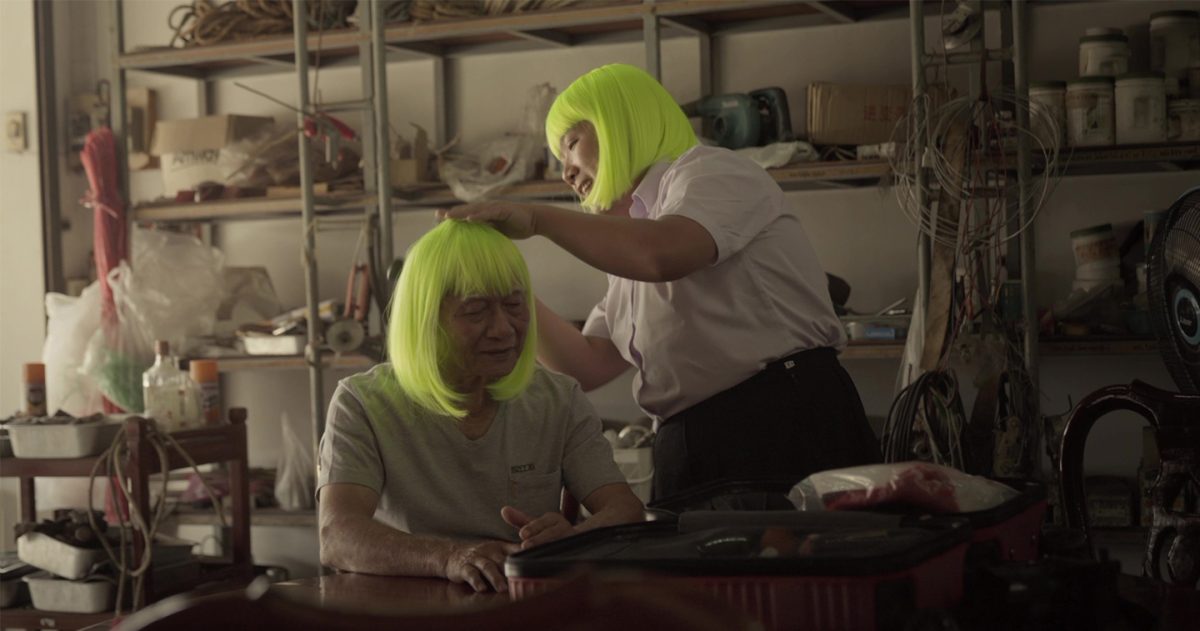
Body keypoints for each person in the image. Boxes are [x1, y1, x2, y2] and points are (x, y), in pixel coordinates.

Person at [440, 63, 880, 501]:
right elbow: (586, 364)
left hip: (778, 424)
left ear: (620, 121)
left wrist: (538, 219)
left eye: (571, 145)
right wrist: (506, 286)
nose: (566, 173)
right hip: (691, 444)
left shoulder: (712, 172)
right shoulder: (631, 244)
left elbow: (663, 254)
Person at [317, 220, 644, 593]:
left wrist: (573, 539)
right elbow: (337, 537)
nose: (503, 329)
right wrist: (448, 557)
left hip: (518, 604)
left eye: (514, 305)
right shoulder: (363, 402)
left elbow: (624, 509)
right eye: (476, 311)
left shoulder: (558, 399)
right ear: (426, 319)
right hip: (405, 609)